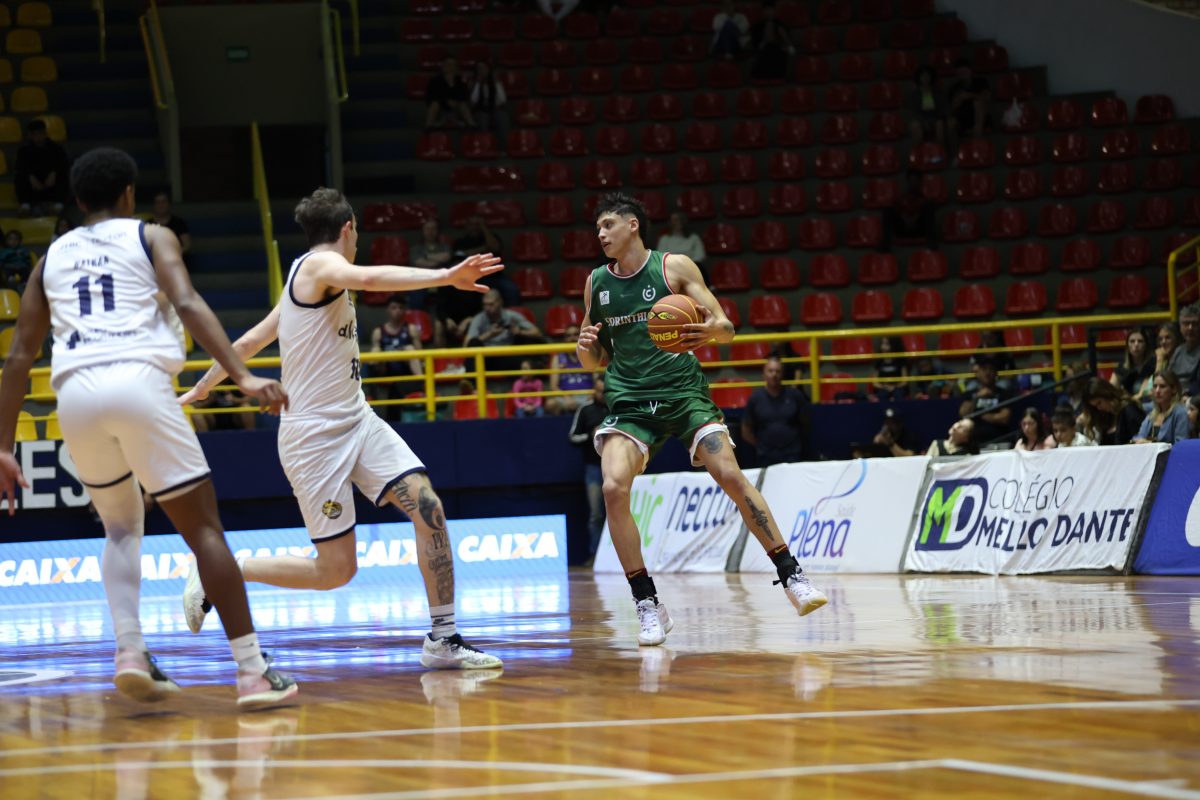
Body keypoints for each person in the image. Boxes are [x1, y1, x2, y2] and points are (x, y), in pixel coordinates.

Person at [0, 147, 296, 708]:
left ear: (78, 200)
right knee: (203, 530)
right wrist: (242, 375)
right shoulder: (152, 236)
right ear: (129, 194)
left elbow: (18, 357)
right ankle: (253, 672)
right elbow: (187, 302)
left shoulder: (51, 256)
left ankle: (131, 652)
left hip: (75, 397)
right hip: (138, 381)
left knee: (119, 528)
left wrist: (3, 446)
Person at [179, 187, 506, 670]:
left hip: (358, 420)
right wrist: (446, 276)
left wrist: (203, 386)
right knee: (335, 571)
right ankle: (221, 569)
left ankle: (443, 638)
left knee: (428, 506)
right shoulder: (319, 266)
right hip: (313, 439)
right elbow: (370, 276)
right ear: (348, 228)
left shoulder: (305, 276)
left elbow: (250, 340)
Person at [576, 192, 827, 646]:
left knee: (730, 475)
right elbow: (594, 359)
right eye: (597, 228)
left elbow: (726, 329)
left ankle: (792, 575)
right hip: (631, 402)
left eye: (608, 224)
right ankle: (646, 602)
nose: (601, 234)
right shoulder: (596, 283)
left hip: (683, 394)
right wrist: (583, 350)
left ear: (633, 225)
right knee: (613, 488)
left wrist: (712, 330)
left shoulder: (674, 267)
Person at [741, 355, 810, 467]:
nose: (774, 374)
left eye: (778, 371)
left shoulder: (795, 396)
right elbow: (746, 430)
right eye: (770, 371)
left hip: (792, 456)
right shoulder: (755, 399)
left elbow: (805, 424)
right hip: (765, 457)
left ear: (783, 374)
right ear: (763, 374)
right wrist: (761, 446)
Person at [568, 376, 608, 562]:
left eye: (605, 391)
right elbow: (572, 437)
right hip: (593, 468)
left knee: (621, 513)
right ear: (594, 390)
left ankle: (618, 557)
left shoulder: (618, 409)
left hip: (617, 467)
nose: (602, 394)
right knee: (596, 514)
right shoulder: (585, 410)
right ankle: (596, 555)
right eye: (599, 390)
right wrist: (590, 435)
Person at [370, 294, 423, 421]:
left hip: (407, 373)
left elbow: (421, 357)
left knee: (410, 349)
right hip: (386, 372)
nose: (397, 311)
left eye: (400, 308)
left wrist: (403, 355)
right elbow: (372, 361)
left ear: (405, 310)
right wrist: (388, 356)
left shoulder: (411, 329)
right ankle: (368, 391)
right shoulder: (379, 332)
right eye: (394, 307)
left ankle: (421, 384)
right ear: (388, 310)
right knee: (375, 351)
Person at [464, 288, 543, 371]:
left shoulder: (512, 316)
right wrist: (489, 334)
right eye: (485, 304)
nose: (487, 308)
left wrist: (520, 332)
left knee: (527, 362)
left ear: (500, 302)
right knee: (474, 342)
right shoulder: (479, 318)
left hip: (507, 354)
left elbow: (537, 333)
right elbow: (467, 344)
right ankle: (471, 379)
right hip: (486, 356)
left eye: (491, 304)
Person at [14, 119, 69, 216]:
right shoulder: (23, 151)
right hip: (33, 187)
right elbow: (21, 166)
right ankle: (25, 205)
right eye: (35, 134)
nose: (38, 137)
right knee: (20, 176)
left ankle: (58, 205)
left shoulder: (56, 148)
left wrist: (54, 173)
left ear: (45, 134)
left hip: (51, 185)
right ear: (30, 136)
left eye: (41, 134)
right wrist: (31, 177)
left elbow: (64, 164)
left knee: (63, 174)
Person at [958, 355, 1012, 445]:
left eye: (991, 369)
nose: (987, 372)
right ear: (977, 373)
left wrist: (979, 414)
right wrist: (977, 397)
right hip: (973, 442)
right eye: (984, 369)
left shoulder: (1003, 393)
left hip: (999, 440)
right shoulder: (970, 394)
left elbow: (1004, 418)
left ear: (996, 373)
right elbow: (963, 414)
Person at [546, 324, 594, 416]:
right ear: (565, 339)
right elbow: (553, 386)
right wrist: (566, 397)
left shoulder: (589, 354)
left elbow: (597, 382)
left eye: (575, 334)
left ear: (581, 336)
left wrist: (592, 396)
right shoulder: (558, 357)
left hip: (587, 396)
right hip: (566, 397)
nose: (572, 338)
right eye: (568, 336)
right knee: (551, 404)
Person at [1080, 378, 1145, 446]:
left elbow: (1140, 440)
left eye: (1099, 403)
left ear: (1107, 394)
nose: (1098, 408)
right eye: (1095, 406)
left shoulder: (1129, 411)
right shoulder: (1106, 417)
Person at [883, 170, 937, 250]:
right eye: (911, 180)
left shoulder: (925, 200)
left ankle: (931, 240)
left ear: (920, 182)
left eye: (915, 180)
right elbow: (897, 210)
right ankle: (886, 242)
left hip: (918, 229)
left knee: (929, 207)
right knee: (888, 210)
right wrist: (904, 217)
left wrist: (915, 217)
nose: (913, 183)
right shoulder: (901, 199)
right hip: (903, 228)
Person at [1134, 371, 1189, 444]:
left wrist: (1150, 443)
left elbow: (1181, 445)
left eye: (1162, 386)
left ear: (1174, 389)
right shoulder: (1152, 415)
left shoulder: (1180, 413)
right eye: (1155, 386)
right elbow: (1139, 437)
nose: (1157, 391)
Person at [947, 58, 990, 142]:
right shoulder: (954, 87)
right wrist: (957, 101)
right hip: (962, 117)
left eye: (965, 71)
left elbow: (986, 98)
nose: (963, 74)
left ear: (970, 70)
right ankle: (953, 150)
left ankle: (977, 141)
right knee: (951, 122)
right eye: (960, 73)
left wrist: (968, 95)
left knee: (977, 104)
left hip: (979, 115)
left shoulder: (981, 82)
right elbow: (952, 108)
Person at [749, 2, 795, 82]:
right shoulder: (757, 26)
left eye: (771, 10)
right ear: (763, 12)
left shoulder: (781, 24)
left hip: (778, 50)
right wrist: (764, 40)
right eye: (766, 10)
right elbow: (755, 44)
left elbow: (790, 47)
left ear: (774, 11)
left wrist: (784, 40)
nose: (769, 12)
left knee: (777, 52)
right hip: (763, 51)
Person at [424, 57, 474, 129]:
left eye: (452, 65)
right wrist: (446, 101)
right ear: (443, 67)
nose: (450, 67)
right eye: (447, 64)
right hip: (440, 106)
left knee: (463, 104)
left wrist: (456, 101)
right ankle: (428, 126)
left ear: (456, 68)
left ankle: (471, 125)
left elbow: (464, 95)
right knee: (434, 104)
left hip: (457, 106)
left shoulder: (461, 80)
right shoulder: (435, 80)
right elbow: (432, 95)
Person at [469, 61, 508, 139]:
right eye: (479, 68)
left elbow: (502, 100)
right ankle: (485, 143)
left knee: (502, 117)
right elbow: (473, 101)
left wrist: (497, 83)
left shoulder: (495, 82)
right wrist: (478, 84)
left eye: (484, 68)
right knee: (482, 118)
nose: (481, 70)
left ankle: (503, 145)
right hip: (481, 110)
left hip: (494, 109)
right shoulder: (473, 83)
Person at [1112, 328, 1154, 399]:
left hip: (1147, 400)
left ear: (1146, 345)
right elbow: (1112, 387)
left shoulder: (1153, 363)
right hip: (1128, 401)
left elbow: (1146, 390)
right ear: (1127, 345)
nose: (1136, 344)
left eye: (1140, 341)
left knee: (1137, 386)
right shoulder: (1122, 365)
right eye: (1132, 341)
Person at [909, 65, 946, 147]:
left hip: (935, 118)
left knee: (940, 124)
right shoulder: (914, 94)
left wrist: (937, 118)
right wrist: (923, 121)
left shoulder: (937, 92)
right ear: (919, 78)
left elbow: (942, 108)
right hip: (920, 118)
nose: (925, 78)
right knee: (915, 126)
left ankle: (941, 151)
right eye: (923, 76)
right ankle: (917, 152)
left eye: (927, 76)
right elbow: (913, 111)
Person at [150, 191, 191, 258]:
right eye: (158, 202)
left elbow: (187, 245)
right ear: (154, 205)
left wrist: (173, 254)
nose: (161, 205)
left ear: (169, 204)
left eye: (164, 201)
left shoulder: (179, 223)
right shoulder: (148, 225)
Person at [1167, 305, 1200, 389]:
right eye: (1186, 323)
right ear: (1180, 327)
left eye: (1194, 324)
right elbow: (1168, 377)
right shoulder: (1179, 350)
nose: (1190, 328)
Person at [871, 336, 907, 401]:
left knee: (898, 395)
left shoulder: (900, 361)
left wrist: (894, 387)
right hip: (883, 388)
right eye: (882, 344)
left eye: (887, 344)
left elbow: (904, 381)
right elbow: (875, 382)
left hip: (897, 388)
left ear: (894, 346)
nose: (883, 347)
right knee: (882, 395)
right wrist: (884, 387)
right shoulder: (878, 361)